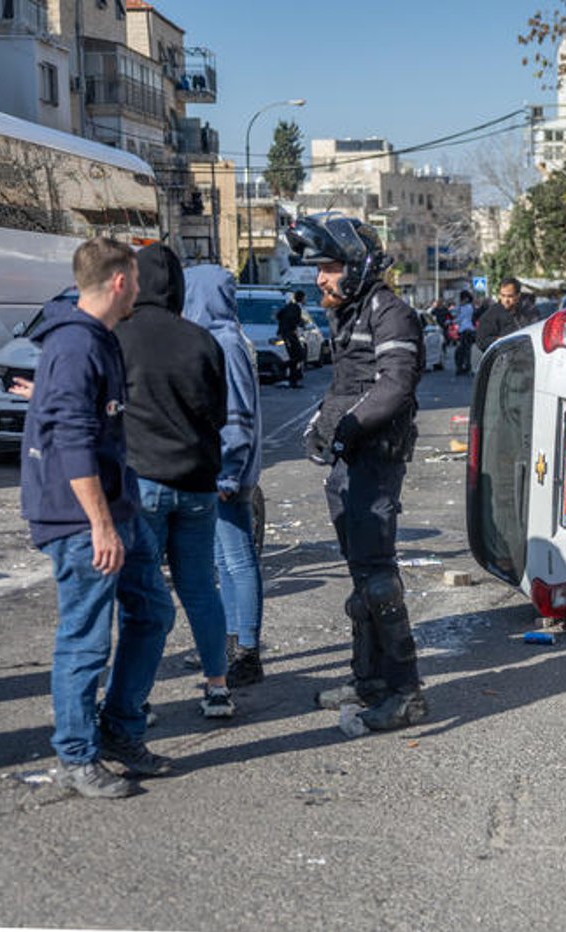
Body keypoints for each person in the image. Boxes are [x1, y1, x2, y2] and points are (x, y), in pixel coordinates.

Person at [20, 236, 178, 798]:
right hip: (81, 520)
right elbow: (71, 442)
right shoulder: (76, 345)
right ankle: (76, 754)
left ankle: (119, 731)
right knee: (86, 639)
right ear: (118, 281)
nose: (139, 287)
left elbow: (77, 413)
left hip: (118, 506)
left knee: (153, 614)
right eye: (134, 278)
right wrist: (100, 526)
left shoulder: (97, 339)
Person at [286, 212, 429, 732]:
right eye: (318, 268)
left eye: (328, 266)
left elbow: (393, 387)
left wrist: (345, 429)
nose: (320, 278)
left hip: (376, 461)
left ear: (357, 264)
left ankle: (405, 690)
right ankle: (367, 679)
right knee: (360, 578)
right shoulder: (349, 312)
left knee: (378, 579)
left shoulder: (390, 313)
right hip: (349, 463)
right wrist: (319, 428)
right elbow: (347, 385)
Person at [115, 245, 234, 719]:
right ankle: (218, 688)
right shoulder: (202, 340)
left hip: (142, 483)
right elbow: (219, 415)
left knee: (142, 597)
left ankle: (136, 699)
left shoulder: (118, 338)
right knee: (201, 587)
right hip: (198, 484)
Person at [183, 264, 266, 687]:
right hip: (220, 470)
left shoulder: (225, 342)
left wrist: (229, 473)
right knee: (223, 560)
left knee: (237, 558)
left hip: (228, 473)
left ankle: (247, 650)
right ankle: (233, 642)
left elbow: (237, 419)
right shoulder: (219, 337)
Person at [475, 277, 539, 352]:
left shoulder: (528, 311)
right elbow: (482, 341)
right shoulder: (491, 315)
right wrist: (502, 341)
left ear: (518, 296)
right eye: (503, 295)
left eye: (510, 296)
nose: (506, 300)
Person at [275, 290, 307, 388]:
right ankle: (283, 366)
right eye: (304, 298)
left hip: (288, 334)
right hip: (289, 334)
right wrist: (297, 324)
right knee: (298, 355)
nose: (305, 300)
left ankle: (293, 381)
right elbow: (292, 319)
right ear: (301, 298)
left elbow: (278, 315)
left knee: (295, 356)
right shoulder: (295, 307)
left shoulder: (290, 306)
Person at [452, 289, 475, 375]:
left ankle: (465, 366)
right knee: (465, 350)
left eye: (462, 299)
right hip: (464, 330)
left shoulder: (468, 307)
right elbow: (455, 312)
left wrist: (452, 322)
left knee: (463, 350)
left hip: (466, 330)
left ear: (466, 299)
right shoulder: (464, 307)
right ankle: (464, 366)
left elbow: (460, 318)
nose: (461, 301)